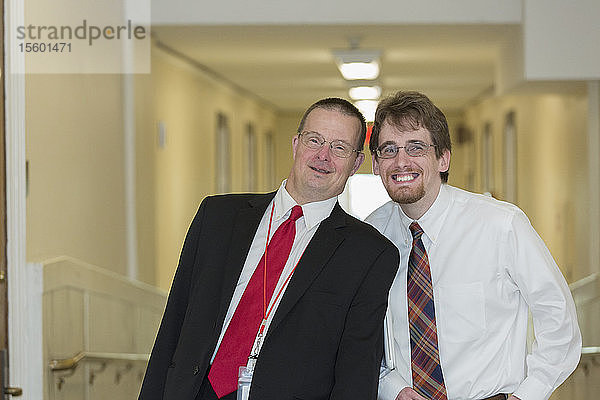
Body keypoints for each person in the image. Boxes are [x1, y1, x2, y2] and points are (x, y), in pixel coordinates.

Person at [139, 98, 400, 400]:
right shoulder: (217, 217)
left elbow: (357, 372)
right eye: (314, 140)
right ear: (295, 144)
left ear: (355, 163)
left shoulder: (369, 254)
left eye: (340, 147)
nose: (323, 156)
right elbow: (173, 324)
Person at [366, 91, 581, 400]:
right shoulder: (370, 238)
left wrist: (528, 394)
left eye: (416, 147)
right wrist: (392, 387)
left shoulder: (501, 225)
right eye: (389, 150)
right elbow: (362, 337)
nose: (401, 161)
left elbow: (558, 316)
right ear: (375, 163)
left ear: (443, 158)